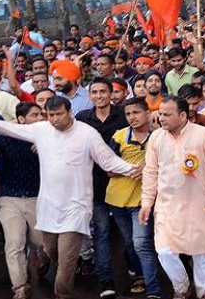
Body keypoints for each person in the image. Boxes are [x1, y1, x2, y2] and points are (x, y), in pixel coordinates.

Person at [0, 96, 139, 299]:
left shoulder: (87, 134)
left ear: (69, 112)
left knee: (66, 260)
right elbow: (6, 128)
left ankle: (62, 295)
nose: (54, 119)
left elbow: (108, 161)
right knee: (53, 252)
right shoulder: (41, 130)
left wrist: (135, 170)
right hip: (48, 207)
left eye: (59, 114)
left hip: (76, 207)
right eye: (51, 115)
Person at [139, 96, 205, 299]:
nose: (161, 119)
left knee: (202, 252)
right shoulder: (156, 138)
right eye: (160, 114)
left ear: (183, 115)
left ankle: (203, 292)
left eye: (167, 115)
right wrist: (146, 203)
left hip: (200, 205)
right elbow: (150, 173)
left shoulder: (204, 135)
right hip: (167, 207)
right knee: (165, 251)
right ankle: (181, 288)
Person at [75, 77, 131, 299]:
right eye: (95, 92)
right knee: (101, 232)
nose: (99, 96)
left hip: (123, 184)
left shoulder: (123, 116)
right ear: (90, 96)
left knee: (128, 234)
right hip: (95, 185)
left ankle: (133, 267)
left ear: (111, 93)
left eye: (103, 92)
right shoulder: (82, 119)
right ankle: (106, 278)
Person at [107, 98, 162, 299]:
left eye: (137, 112)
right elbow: (109, 170)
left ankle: (153, 289)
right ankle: (139, 275)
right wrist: (131, 169)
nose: (132, 117)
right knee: (130, 243)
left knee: (141, 243)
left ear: (148, 113)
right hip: (118, 198)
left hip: (143, 200)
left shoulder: (158, 136)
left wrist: (148, 169)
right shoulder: (119, 136)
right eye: (128, 114)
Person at [0, 102, 48, 299]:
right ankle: (20, 287)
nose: (41, 118)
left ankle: (44, 257)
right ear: (21, 120)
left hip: (36, 197)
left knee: (42, 242)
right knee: (15, 242)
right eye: (35, 115)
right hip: (9, 198)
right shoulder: (3, 138)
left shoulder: (48, 139)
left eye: (42, 115)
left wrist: (43, 147)